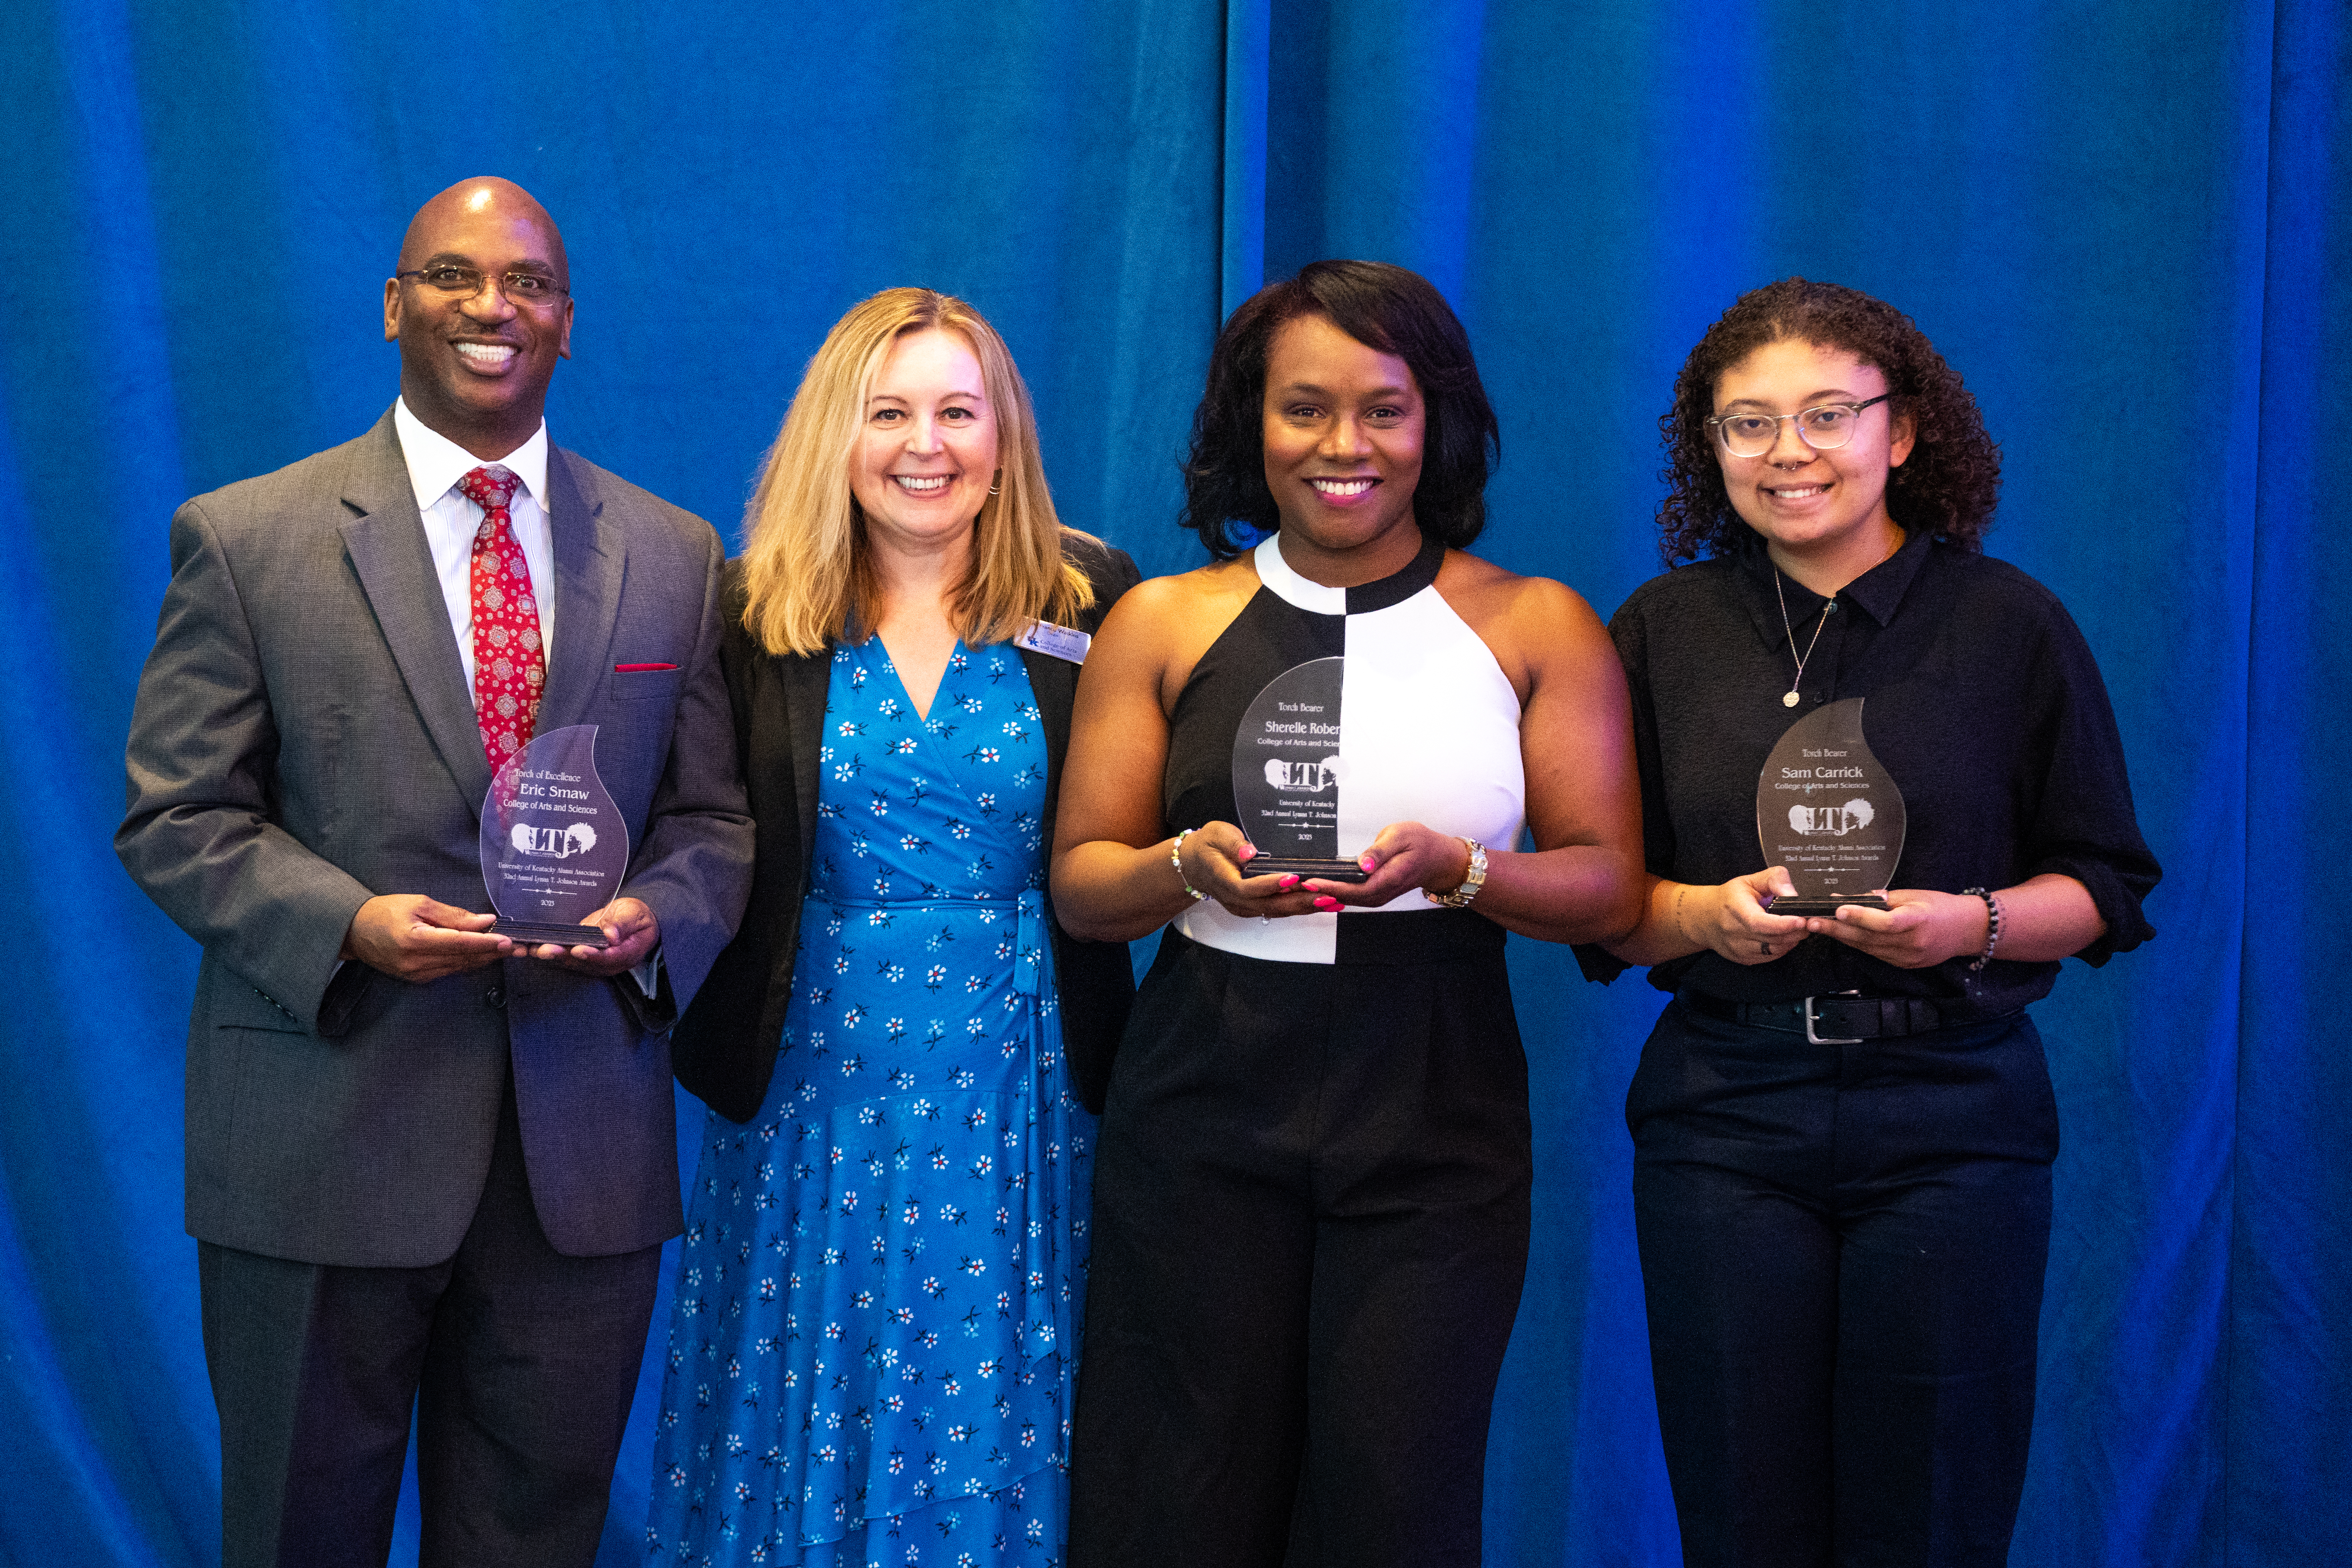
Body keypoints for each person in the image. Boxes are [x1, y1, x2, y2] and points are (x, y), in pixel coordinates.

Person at [115, 177, 754, 1567]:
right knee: (300, 1535)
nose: (493, 306)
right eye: (456, 276)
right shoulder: (249, 539)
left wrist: (656, 921)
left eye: (528, 282)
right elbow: (176, 816)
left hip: (576, 1161)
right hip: (323, 1136)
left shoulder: (673, 556)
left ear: (568, 324)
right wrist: (351, 924)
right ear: (395, 305)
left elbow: (715, 822)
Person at [1052, 260, 1644, 1566]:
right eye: (1303, 408)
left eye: (1383, 409)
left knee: (1399, 1498)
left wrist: (1466, 870)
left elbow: (1611, 882)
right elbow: (1084, 883)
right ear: (1248, 424)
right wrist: (1183, 870)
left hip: (1435, 1090)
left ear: (1437, 424)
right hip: (1205, 1079)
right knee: (1176, 1491)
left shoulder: (1535, 623)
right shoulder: (1162, 620)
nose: (1343, 446)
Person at [1586, 277, 2161, 1565]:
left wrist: (1976, 923)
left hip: (1954, 1120)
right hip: (1726, 1116)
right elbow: (1606, 899)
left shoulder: (2009, 624)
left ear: (1901, 432)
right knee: (1743, 1515)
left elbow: (2107, 883)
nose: (1789, 452)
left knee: (1935, 1518)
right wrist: (1700, 916)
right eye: (1748, 424)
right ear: (1710, 446)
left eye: (1828, 414)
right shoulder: (1662, 632)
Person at [645, 287, 1140, 1567]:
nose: (926, 444)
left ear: (1003, 434)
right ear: (837, 434)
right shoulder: (751, 611)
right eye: (891, 411)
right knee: (809, 1373)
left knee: (1002, 1383)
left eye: (957, 411)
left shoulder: (1095, 599)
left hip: (1028, 1080)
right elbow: (693, 825)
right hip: (812, 1075)